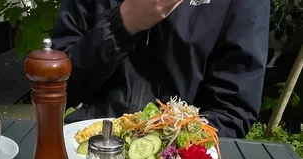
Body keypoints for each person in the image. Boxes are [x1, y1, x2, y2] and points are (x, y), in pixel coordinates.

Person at [52, 0, 270, 138]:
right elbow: (57, 87)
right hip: (88, 149)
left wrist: (167, 146)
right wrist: (123, 22)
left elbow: (233, 110)